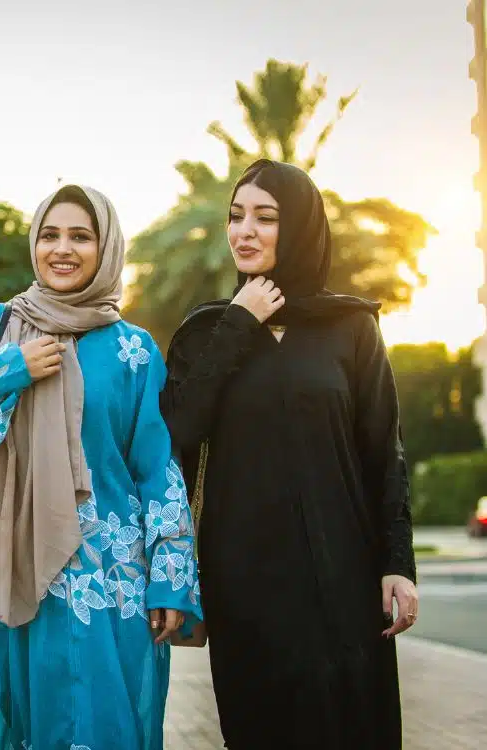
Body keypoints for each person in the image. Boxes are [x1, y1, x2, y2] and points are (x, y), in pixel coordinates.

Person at [0, 184, 202, 750]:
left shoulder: (135, 350)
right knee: (22, 725)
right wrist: (9, 371)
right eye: (49, 235)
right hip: (14, 571)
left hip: (110, 583)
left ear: (107, 248)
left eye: (81, 235)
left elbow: (157, 469)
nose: (62, 249)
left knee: (110, 724)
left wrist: (171, 580)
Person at [162, 159, 418, 749]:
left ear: (300, 226)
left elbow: (384, 453)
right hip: (246, 580)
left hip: (344, 573)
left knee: (353, 726)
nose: (244, 230)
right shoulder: (204, 333)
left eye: (266, 217)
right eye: (236, 216)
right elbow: (178, 431)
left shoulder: (350, 327)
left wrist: (397, 563)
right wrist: (238, 325)